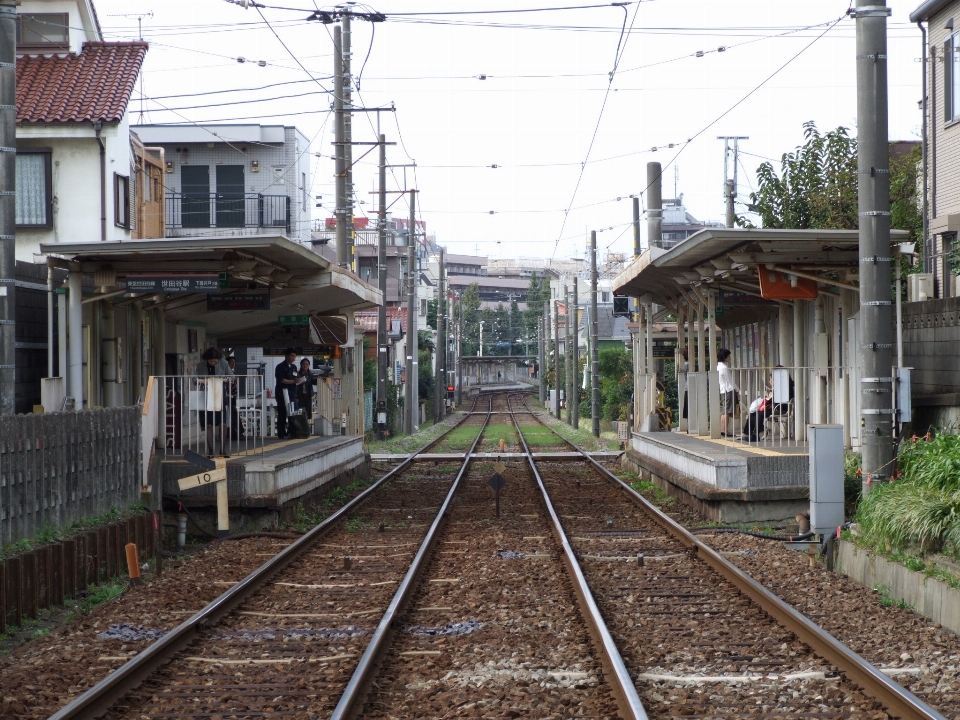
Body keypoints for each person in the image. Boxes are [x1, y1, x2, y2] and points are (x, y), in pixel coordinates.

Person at [194, 348, 234, 458]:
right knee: (208, 424)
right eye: (211, 361)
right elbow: (194, 379)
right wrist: (202, 380)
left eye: (215, 361)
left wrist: (224, 379)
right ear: (207, 360)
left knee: (223, 423)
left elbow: (232, 376)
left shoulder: (224, 363)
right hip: (206, 396)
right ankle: (211, 450)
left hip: (220, 395)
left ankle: (222, 449)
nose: (213, 363)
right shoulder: (201, 366)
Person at [741, 367, 794, 441]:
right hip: (778, 407)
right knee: (754, 413)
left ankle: (756, 434)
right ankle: (749, 433)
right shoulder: (786, 384)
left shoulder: (785, 386)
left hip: (781, 408)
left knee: (759, 414)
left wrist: (767, 400)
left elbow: (776, 399)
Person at [274, 348, 303, 439]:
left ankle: (293, 431)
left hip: (292, 393)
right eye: (292, 356)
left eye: (295, 356)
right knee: (282, 412)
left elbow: (296, 377)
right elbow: (282, 380)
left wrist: (298, 380)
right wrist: (294, 381)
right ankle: (281, 432)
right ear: (286, 356)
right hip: (282, 392)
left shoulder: (294, 367)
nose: (293, 358)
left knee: (294, 412)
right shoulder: (280, 367)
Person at [716, 348, 738, 437]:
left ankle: (723, 429)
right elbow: (730, 380)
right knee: (727, 411)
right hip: (728, 390)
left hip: (722, 389)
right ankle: (726, 430)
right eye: (728, 356)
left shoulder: (718, 366)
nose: (729, 357)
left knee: (724, 410)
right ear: (725, 357)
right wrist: (737, 390)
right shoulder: (724, 368)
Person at [226, 357, 246, 441]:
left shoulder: (232, 372)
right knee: (231, 415)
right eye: (231, 362)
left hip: (233, 396)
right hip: (228, 396)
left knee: (234, 414)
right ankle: (235, 432)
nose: (233, 364)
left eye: (234, 362)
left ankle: (238, 432)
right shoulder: (226, 373)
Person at [297, 358, 316, 423]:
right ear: (301, 365)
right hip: (300, 396)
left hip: (308, 396)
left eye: (306, 364)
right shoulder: (297, 374)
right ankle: (300, 422)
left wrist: (319, 378)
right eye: (303, 364)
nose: (305, 366)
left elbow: (314, 381)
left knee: (308, 410)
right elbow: (295, 385)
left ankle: (307, 424)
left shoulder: (310, 374)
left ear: (308, 366)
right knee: (300, 410)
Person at [679, 348, 689, 421]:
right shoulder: (689, 364)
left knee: (688, 407)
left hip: (687, 387)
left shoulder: (685, 364)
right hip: (690, 387)